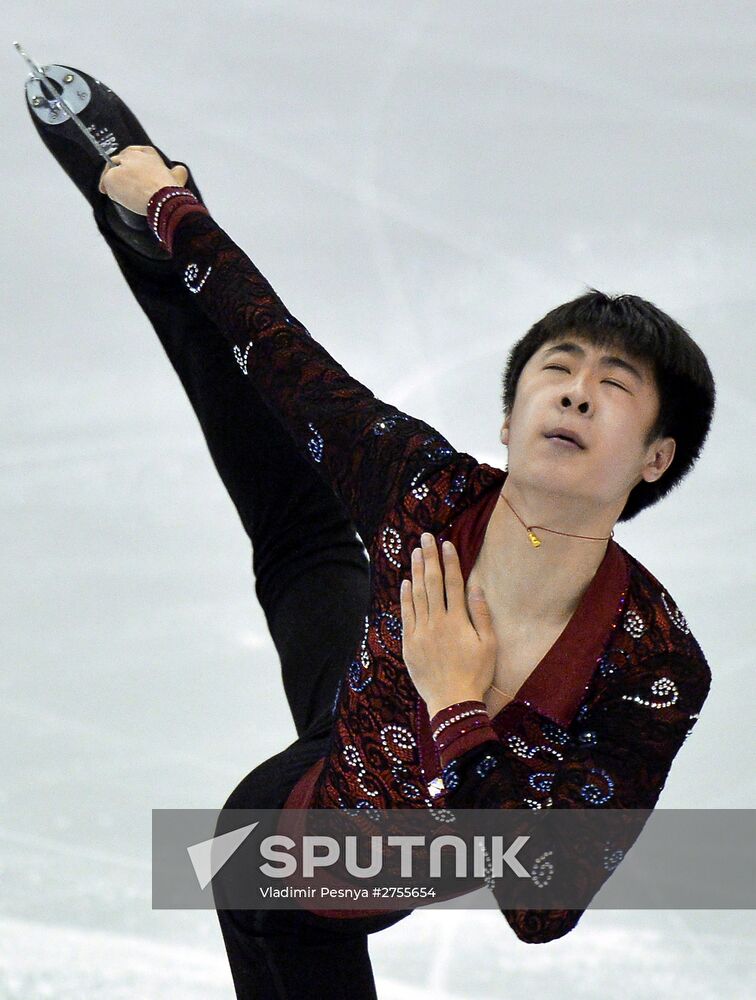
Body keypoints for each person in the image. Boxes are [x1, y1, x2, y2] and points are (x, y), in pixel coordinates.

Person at [32, 77, 715, 994]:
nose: (578, 390)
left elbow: (543, 908)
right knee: (291, 494)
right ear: (508, 422)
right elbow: (278, 350)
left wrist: (456, 705)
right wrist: (170, 208)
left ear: (656, 457)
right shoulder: (426, 489)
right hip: (289, 833)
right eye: (556, 368)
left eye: (616, 384)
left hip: (342, 865)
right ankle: (146, 249)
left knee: (306, 550)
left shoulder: (654, 665)